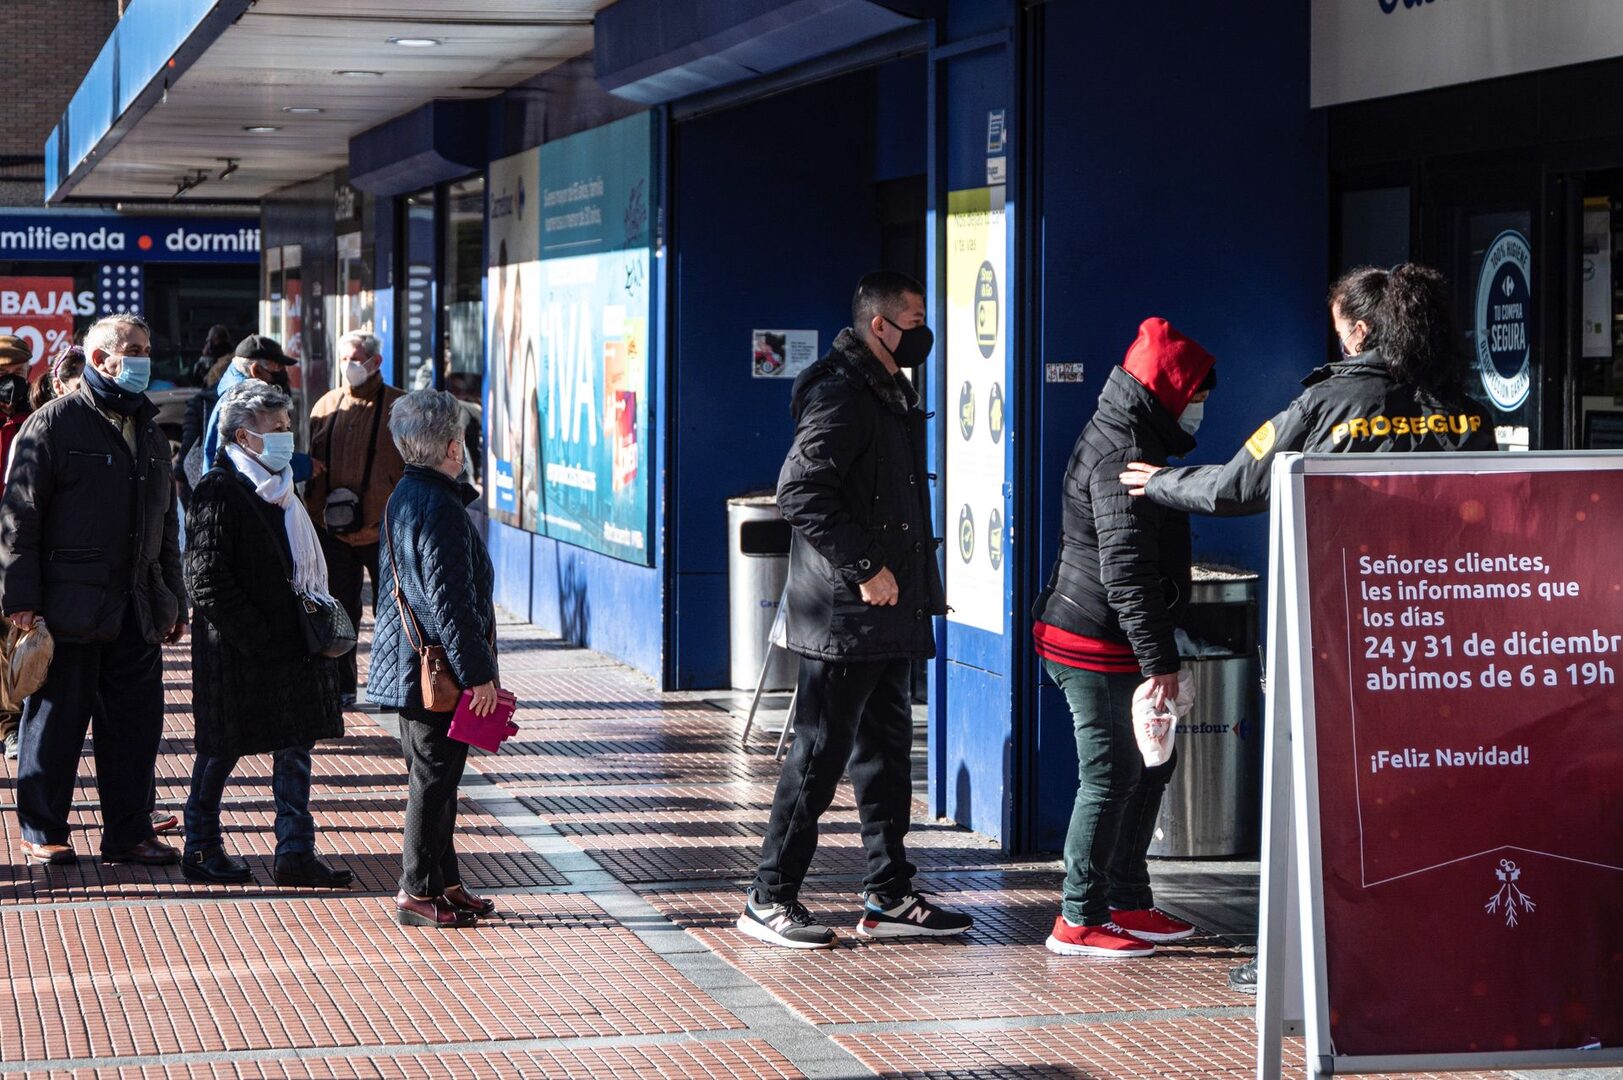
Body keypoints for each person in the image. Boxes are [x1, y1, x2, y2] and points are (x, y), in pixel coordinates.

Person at [1118, 264, 1497, 991]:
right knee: (1428, 796)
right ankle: (1425, 947)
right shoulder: (1465, 411)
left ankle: (1297, 961)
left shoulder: (1329, 402)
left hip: (1339, 636)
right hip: (1442, 643)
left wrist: (1159, 482)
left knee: (1318, 799)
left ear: (1361, 330)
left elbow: (1239, 482)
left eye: (1339, 327)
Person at [737, 271, 966, 950]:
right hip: (844, 616)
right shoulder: (842, 392)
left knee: (886, 757)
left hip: (887, 617)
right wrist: (865, 568)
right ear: (880, 326)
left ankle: (889, 893)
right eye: (915, 320)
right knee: (817, 756)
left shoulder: (887, 389)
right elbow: (800, 491)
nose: (924, 332)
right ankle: (768, 897)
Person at [1033, 317, 1216, 960]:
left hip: (1116, 637)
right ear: (1169, 393)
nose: (1200, 408)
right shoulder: (1123, 452)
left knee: (1152, 768)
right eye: (1195, 396)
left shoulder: (1135, 433)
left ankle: (1128, 899)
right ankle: (1078, 918)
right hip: (1092, 641)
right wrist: (1159, 658)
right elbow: (1125, 569)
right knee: (1111, 774)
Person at [1, 312, 186, 866]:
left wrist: (174, 599)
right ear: (100, 358)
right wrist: (21, 601)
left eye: (146, 348)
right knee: (55, 722)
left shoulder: (149, 429)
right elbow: (19, 518)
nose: (143, 358)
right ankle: (43, 830)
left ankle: (130, 832)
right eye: (133, 349)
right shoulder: (53, 423)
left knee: (135, 728)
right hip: (67, 606)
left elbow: (165, 524)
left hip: (136, 604)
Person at [181, 381, 352, 887]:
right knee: (221, 748)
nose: (286, 437)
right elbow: (205, 577)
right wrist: (257, 637)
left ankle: (295, 851)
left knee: (296, 746)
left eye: (287, 426)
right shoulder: (219, 488)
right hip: (238, 653)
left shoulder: (282, 489)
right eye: (275, 428)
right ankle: (201, 845)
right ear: (243, 436)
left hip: (290, 648)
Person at [368, 389, 499, 928]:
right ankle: (416, 890)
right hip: (434, 671)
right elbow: (450, 602)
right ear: (451, 447)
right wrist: (479, 675)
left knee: (437, 779)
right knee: (433, 780)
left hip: (411, 664)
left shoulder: (407, 492)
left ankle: (445, 882)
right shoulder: (439, 505)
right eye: (461, 439)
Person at [304, 331, 405, 707]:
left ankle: (392, 687)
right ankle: (342, 687)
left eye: (356, 358)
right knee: (340, 613)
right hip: (333, 532)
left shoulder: (400, 407)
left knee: (394, 613)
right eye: (344, 358)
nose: (349, 365)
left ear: (376, 362)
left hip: (385, 531)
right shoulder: (326, 406)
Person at [199, 335, 313, 482]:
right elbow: (253, 460)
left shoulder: (235, 396)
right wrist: (305, 466)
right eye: (277, 368)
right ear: (256, 370)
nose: (282, 373)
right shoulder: (242, 405)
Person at [0, 336, 33, 761]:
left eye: (19, 375)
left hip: (17, 541)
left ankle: (14, 723)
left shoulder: (35, 421)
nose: (12, 385)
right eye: (4, 376)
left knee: (13, 635)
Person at [175, 355, 232, 510]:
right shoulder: (240, 399)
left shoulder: (200, 401)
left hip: (202, 476)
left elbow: (188, 442)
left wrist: (179, 476)